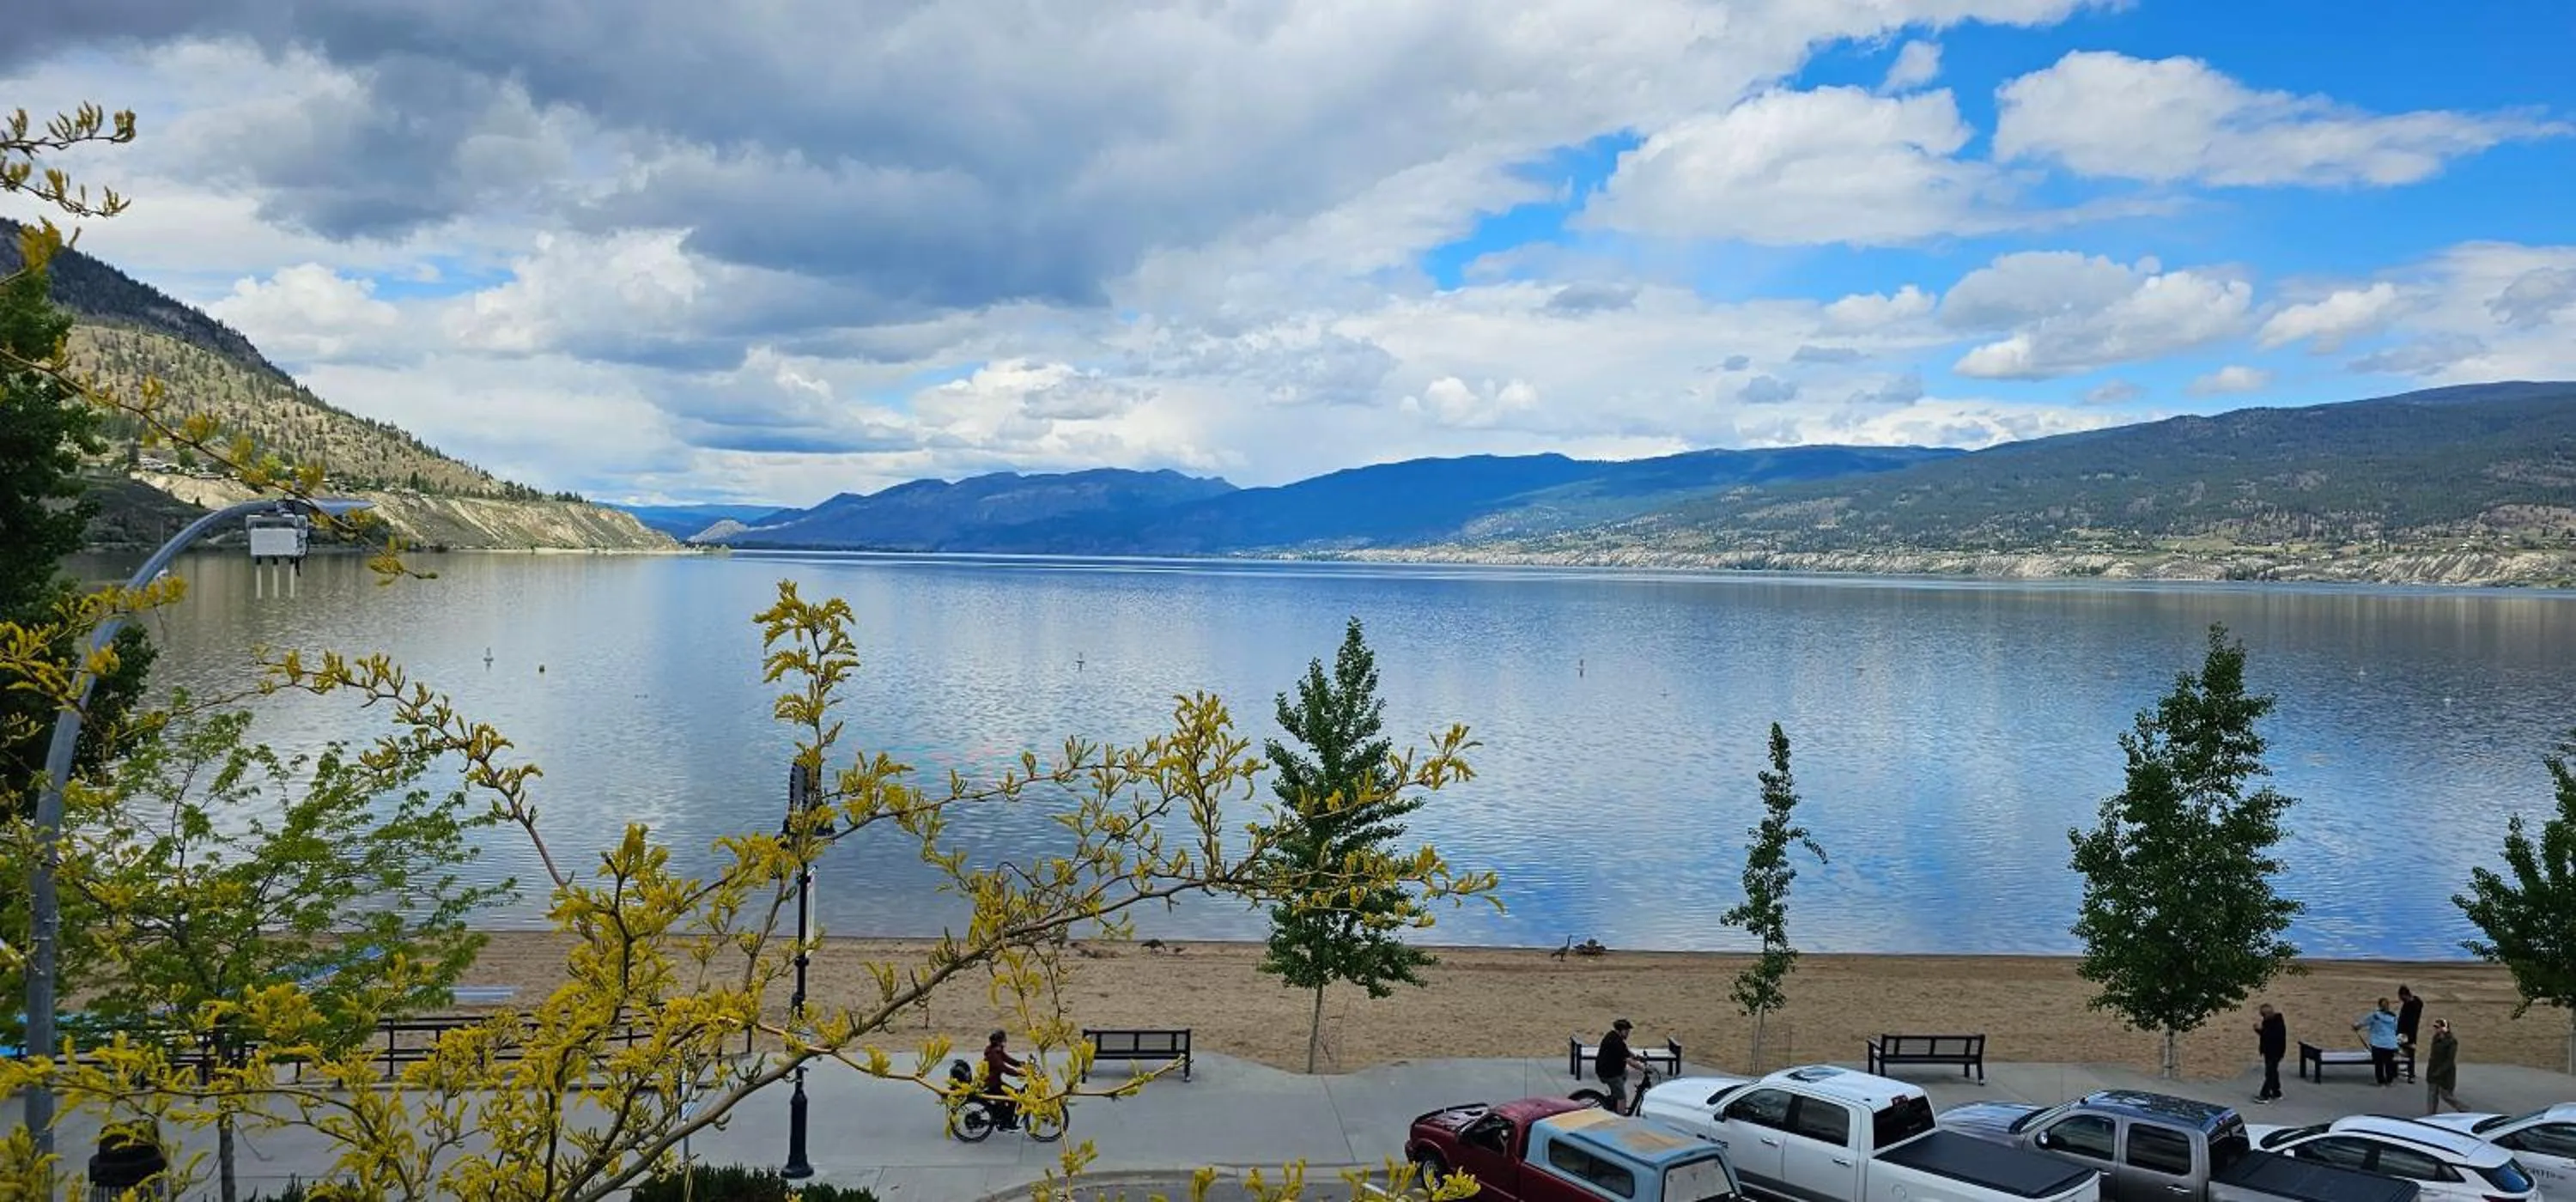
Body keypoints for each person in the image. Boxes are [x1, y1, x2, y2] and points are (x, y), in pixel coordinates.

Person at [1595, 1018, 1649, 1114]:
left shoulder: (1613, 1036)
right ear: (1622, 1030)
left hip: (1609, 1069)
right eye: (1627, 1031)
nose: (1628, 1034)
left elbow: (1625, 1052)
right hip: (1609, 1074)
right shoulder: (1616, 1042)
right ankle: (1621, 1118)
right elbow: (1629, 1061)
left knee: (1625, 1073)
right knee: (1622, 1097)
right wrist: (1644, 1069)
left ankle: (1614, 1099)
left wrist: (1637, 1057)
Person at [981, 1029, 1027, 1131]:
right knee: (1014, 1097)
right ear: (997, 1041)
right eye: (1002, 1040)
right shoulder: (993, 1054)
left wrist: (1021, 1064)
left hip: (996, 1082)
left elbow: (1008, 1060)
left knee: (1014, 1095)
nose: (1004, 1043)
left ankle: (1005, 1120)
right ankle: (1006, 1123)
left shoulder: (997, 1050)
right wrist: (1018, 1073)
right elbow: (1004, 1068)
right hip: (992, 1084)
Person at [2354, 998, 2401, 1086]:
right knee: (2389, 1063)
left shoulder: (2375, 1016)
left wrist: (2355, 1027)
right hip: (2390, 1044)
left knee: (2379, 1064)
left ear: (2379, 1006)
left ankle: (2381, 1081)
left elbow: (2363, 1023)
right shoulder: (2393, 1017)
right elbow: (2396, 1029)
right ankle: (2389, 1081)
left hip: (2378, 1043)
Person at [2426, 1019, 2464, 1114]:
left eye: (2437, 1027)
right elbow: (2433, 1055)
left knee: (2446, 1095)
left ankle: (2463, 1109)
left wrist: (2440, 1071)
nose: (2435, 1029)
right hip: (2433, 1069)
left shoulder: (2451, 1041)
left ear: (2444, 1028)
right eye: (2435, 1027)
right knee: (2432, 1093)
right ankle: (2431, 1114)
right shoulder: (2436, 1038)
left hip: (2446, 1072)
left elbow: (2450, 1060)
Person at [2253, 1004, 2287, 1103]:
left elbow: (2272, 1037)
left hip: (2275, 1051)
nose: (2263, 1017)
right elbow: (2266, 1035)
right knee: (2273, 1072)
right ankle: (2277, 1092)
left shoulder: (2277, 1023)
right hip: (2269, 1051)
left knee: (2270, 1073)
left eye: (2264, 1014)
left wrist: (2260, 1031)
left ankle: (2265, 1095)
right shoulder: (2268, 1021)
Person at [2396, 986, 2423, 1058]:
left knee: (2407, 1055)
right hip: (2407, 1034)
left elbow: (2409, 1022)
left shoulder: (2412, 1006)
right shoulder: (2412, 1003)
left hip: (2407, 1035)